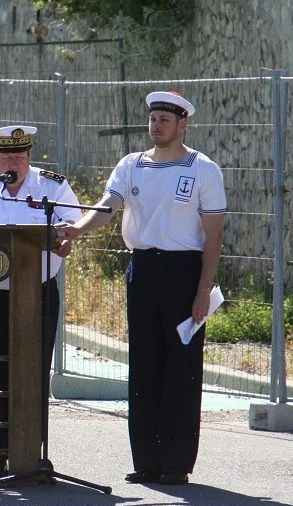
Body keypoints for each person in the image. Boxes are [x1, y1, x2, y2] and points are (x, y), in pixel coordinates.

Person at [56, 92, 227, 485]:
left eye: (165, 120)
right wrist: (77, 230)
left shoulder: (203, 169)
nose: (157, 126)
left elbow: (214, 237)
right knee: (145, 365)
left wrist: (203, 290)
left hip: (184, 272)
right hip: (144, 269)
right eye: (153, 120)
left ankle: (176, 463)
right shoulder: (131, 165)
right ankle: (147, 460)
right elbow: (108, 205)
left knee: (180, 368)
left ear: (182, 124)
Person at [0, 125, 81, 479]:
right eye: (7, 156)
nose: (15, 162)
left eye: (21, 156)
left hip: (37, 292)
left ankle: (29, 451)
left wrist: (66, 239)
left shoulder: (53, 188)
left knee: (33, 370)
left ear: (29, 157)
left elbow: (72, 224)